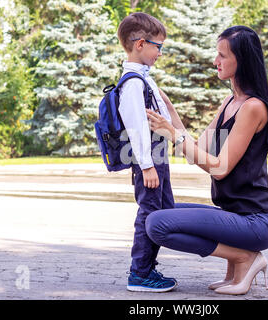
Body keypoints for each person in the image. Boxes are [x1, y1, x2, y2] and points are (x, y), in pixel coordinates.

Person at [145, 26, 268, 295]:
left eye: (222, 55)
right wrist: (169, 109)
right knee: (158, 209)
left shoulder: (253, 107)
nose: (214, 61)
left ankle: (244, 258)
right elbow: (196, 148)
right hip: (235, 216)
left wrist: (173, 135)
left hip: (257, 222)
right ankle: (238, 263)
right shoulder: (229, 102)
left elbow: (219, 169)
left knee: (158, 224)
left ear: (241, 61)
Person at [116, 12, 177, 292]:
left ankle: (147, 268)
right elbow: (137, 128)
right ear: (140, 44)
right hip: (149, 159)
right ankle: (139, 273)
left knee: (162, 211)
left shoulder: (142, 78)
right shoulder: (132, 82)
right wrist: (146, 166)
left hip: (157, 157)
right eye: (158, 47)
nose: (160, 53)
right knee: (149, 213)